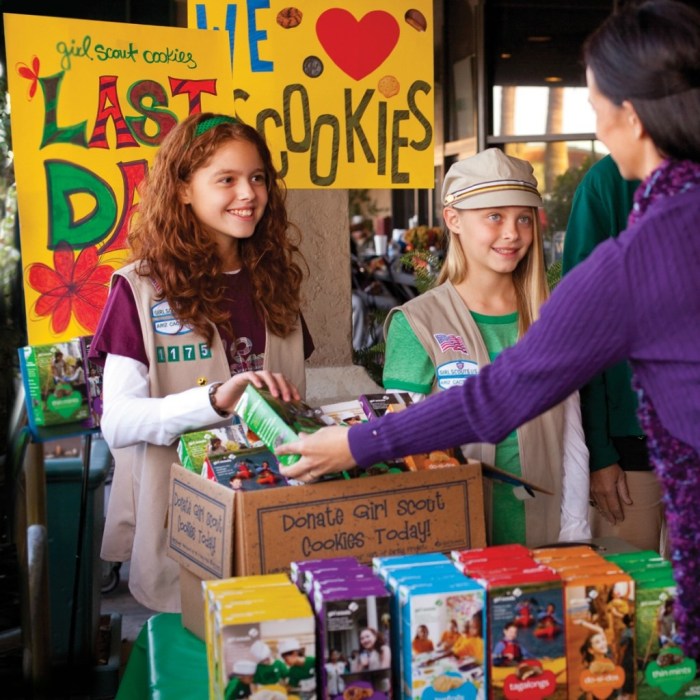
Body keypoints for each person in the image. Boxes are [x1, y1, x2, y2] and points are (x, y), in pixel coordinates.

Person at [277, 0, 700, 657]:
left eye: (593, 107)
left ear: (632, 116)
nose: (596, 127)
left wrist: (355, 444)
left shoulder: (637, 259)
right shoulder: (425, 319)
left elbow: (496, 398)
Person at [90, 112, 312, 611]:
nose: (248, 194)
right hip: (183, 537)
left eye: (257, 178)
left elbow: (297, 399)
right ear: (185, 189)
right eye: (226, 179)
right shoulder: (140, 289)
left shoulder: (275, 282)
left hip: (275, 528)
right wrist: (213, 401)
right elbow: (118, 422)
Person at [381, 148, 589, 547]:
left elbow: (572, 441)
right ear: (453, 219)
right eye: (494, 216)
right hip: (454, 543)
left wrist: (574, 532)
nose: (512, 233)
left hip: (545, 536)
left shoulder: (551, 318)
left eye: (523, 219)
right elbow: (403, 454)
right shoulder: (419, 323)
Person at [563, 153, 668, 554]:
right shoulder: (607, 182)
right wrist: (599, 452)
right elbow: (582, 323)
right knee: (629, 596)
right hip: (631, 447)